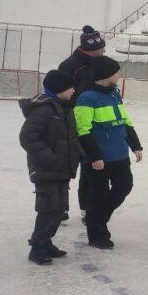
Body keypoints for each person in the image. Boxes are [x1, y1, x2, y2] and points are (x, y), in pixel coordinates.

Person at [75, 56, 143, 249]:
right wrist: (94, 156)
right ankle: (97, 235)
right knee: (98, 196)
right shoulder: (86, 98)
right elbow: (83, 131)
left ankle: (97, 219)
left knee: (125, 186)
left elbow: (124, 121)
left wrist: (135, 145)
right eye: (115, 73)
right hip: (99, 159)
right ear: (106, 76)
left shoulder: (114, 93)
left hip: (119, 154)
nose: (118, 75)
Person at [19, 70, 81, 265]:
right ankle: (37, 247)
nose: (73, 90)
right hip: (46, 170)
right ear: (59, 89)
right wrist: (51, 158)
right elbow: (28, 138)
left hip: (61, 169)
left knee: (59, 208)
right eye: (70, 87)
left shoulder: (63, 108)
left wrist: (78, 155)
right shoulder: (44, 109)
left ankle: (46, 242)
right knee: (48, 208)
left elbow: (70, 139)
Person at [58, 25, 107, 222]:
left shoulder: (100, 63)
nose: (104, 51)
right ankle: (59, 207)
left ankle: (87, 208)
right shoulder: (69, 66)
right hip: (70, 121)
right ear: (90, 48)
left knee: (90, 164)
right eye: (101, 48)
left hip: (91, 121)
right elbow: (60, 93)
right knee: (64, 164)